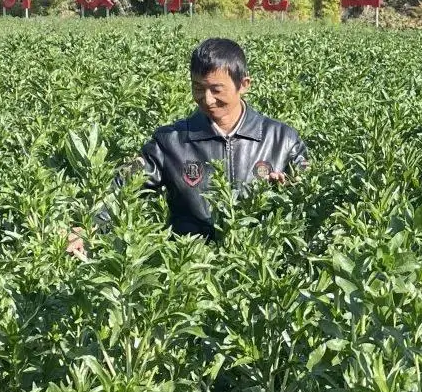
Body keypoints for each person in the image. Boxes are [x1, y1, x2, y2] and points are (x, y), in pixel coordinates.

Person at [67, 37, 308, 257]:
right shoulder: (170, 141)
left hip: (260, 263)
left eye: (216, 89)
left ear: (243, 84)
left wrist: (293, 190)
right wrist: (87, 227)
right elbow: (123, 187)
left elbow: (313, 195)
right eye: (198, 88)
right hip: (189, 267)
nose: (207, 98)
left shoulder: (282, 140)